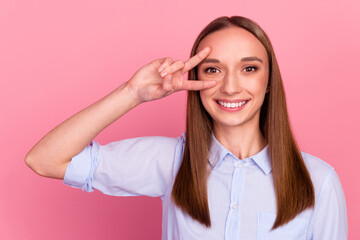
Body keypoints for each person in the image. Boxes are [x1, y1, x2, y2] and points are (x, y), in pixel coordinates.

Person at [25, 16, 348, 239]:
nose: (231, 87)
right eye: (213, 70)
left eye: (249, 68)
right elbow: (45, 159)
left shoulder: (318, 181)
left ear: (268, 83)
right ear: (195, 80)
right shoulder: (171, 161)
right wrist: (131, 93)